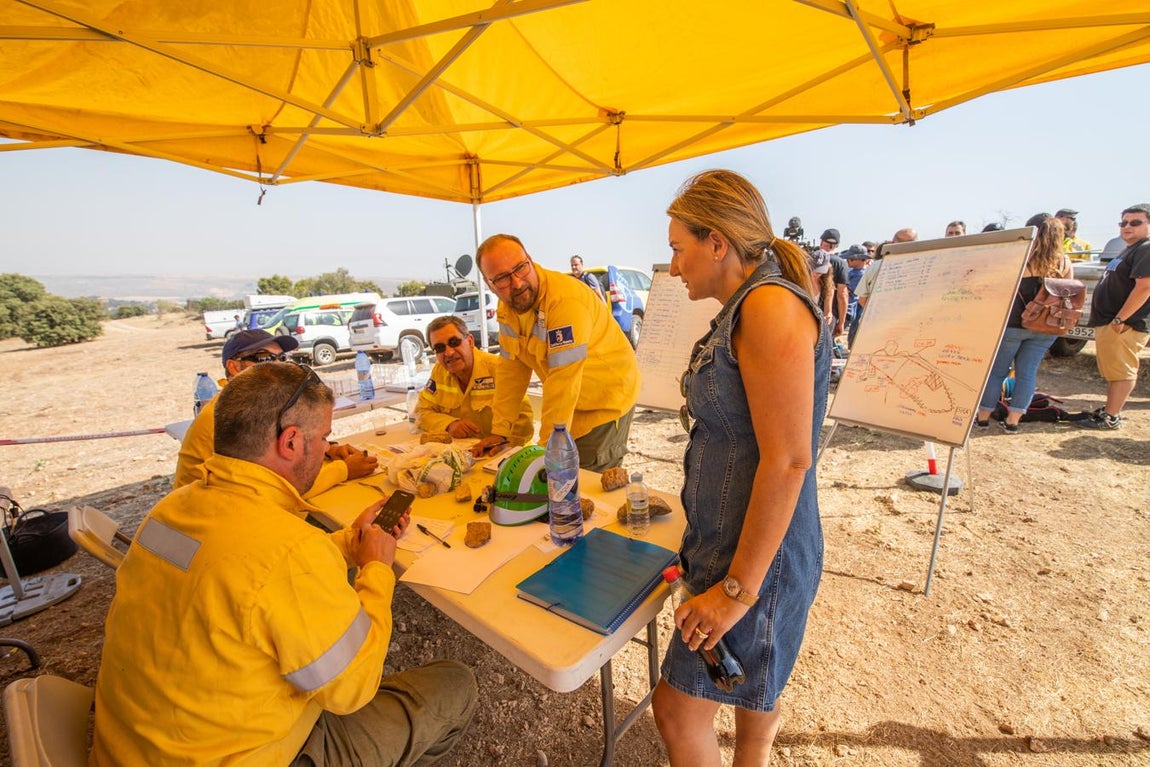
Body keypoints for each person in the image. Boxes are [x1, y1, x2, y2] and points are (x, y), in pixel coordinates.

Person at [92, 363, 478, 765]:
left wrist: (352, 544)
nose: (329, 448)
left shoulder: (169, 510)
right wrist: (376, 568)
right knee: (455, 685)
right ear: (291, 441)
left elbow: (244, 573)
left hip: (138, 747)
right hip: (244, 756)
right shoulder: (289, 553)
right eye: (325, 438)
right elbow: (353, 688)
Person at [652, 170, 830, 766]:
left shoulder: (770, 306)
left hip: (756, 556)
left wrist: (735, 593)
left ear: (718, 243)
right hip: (740, 541)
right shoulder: (752, 303)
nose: (674, 267)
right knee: (757, 684)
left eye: (679, 248)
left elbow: (788, 460)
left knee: (678, 711)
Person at [470, 234, 640, 471]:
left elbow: (563, 382)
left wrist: (545, 451)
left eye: (520, 268)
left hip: (605, 400)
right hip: (571, 402)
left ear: (530, 259)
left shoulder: (564, 301)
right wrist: (501, 431)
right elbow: (511, 370)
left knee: (584, 482)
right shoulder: (508, 305)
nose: (517, 283)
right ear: (489, 284)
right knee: (562, 480)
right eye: (502, 278)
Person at [173, 329, 377, 493]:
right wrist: (344, 470)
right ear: (234, 367)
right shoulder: (232, 413)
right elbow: (282, 484)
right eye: (265, 358)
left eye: (282, 357)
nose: (279, 365)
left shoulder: (254, 403)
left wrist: (326, 450)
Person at [974, 217, 1073, 433]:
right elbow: (1069, 293)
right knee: (1027, 373)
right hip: (1046, 327)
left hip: (1014, 324)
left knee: (997, 372)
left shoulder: (1022, 259)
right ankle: (1013, 421)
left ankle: (982, 418)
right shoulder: (1064, 262)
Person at [1077, 203, 1150, 430]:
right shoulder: (1131, 248)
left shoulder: (1146, 248)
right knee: (1115, 371)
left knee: (1123, 371)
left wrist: (1120, 319)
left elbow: (1145, 287)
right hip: (1112, 322)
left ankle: (1111, 417)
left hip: (1124, 324)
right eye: (1123, 222)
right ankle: (1109, 410)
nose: (1127, 227)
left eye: (1135, 222)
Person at [418, 315, 535, 441]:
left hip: (506, 453)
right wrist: (449, 425)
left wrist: (500, 444)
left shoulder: (499, 370)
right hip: (465, 451)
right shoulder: (439, 371)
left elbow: (524, 424)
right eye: (440, 348)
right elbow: (422, 412)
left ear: (470, 341)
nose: (449, 353)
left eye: (454, 342)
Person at [817, 228, 849, 336]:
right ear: (837, 245)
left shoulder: (808, 258)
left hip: (805, 312)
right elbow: (842, 295)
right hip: (828, 316)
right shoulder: (840, 264)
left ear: (821, 241)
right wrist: (842, 322)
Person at [843, 244, 870, 347]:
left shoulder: (860, 275)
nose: (848, 261)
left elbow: (848, 290)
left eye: (851, 259)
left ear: (860, 260)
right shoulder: (853, 272)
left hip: (850, 307)